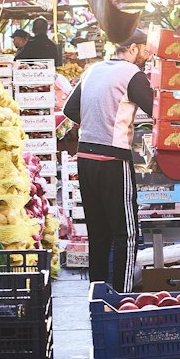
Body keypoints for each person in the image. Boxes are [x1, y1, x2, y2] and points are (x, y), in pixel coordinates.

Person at [62, 30, 153, 289]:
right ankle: (122, 297)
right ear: (133, 48)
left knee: (98, 232)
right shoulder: (132, 74)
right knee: (126, 233)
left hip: (85, 158)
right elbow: (154, 107)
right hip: (113, 159)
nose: (147, 55)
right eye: (145, 50)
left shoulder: (93, 69)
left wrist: (95, 121)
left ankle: (97, 292)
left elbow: (69, 109)